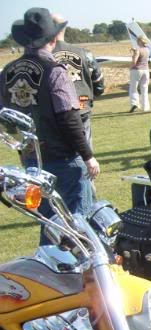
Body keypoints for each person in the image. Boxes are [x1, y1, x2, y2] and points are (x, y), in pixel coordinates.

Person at [0, 8, 98, 242]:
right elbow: (69, 118)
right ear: (53, 39)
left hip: (33, 159)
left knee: (50, 224)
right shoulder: (54, 71)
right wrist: (88, 156)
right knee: (79, 226)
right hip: (64, 158)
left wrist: (22, 149)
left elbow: (7, 118)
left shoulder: (7, 72)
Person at [51, 14, 104, 146]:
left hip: (54, 115)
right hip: (82, 109)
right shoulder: (85, 53)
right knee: (85, 150)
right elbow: (99, 86)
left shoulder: (41, 57)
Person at [129, 36, 150, 112]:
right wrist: (135, 50)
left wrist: (131, 67)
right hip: (146, 70)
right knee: (144, 89)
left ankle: (134, 103)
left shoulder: (138, 50)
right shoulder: (147, 50)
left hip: (137, 70)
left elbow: (135, 61)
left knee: (133, 88)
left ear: (139, 42)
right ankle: (145, 107)